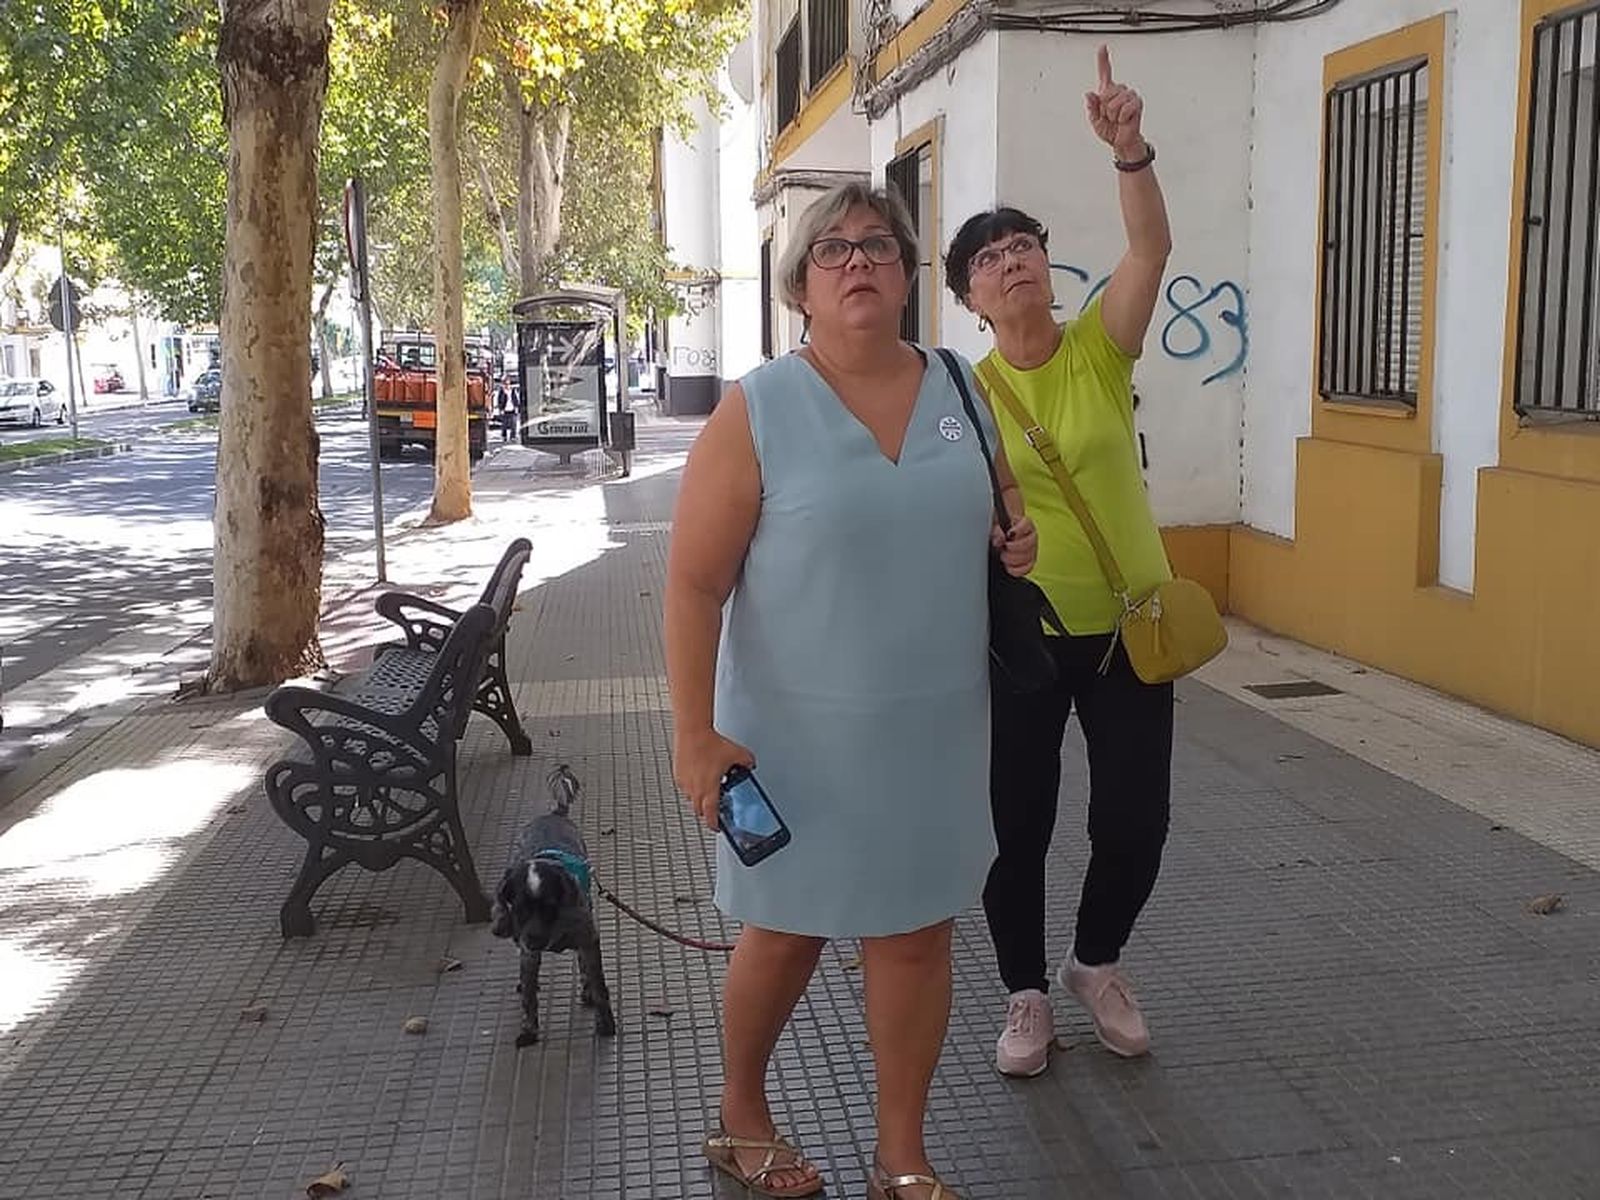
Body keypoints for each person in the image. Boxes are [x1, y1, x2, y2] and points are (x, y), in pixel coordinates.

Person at [665, 182, 1037, 1199]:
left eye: (878, 244)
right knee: (783, 931)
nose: (858, 261)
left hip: (934, 727)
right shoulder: (758, 409)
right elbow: (695, 585)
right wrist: (693, 734)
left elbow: (1000, 499)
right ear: (799, 286)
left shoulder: (962, 386)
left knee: (916, 934)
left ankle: (901, 1157)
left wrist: (1014, 534)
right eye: (831, 250)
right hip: (790, 738)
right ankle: (742, 1118)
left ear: (911, 273)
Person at [943, 45, 1176, 1079]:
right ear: (970, 300)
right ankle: (1025, 995)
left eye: (1022, 245)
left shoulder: (1098, 348)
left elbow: (1151, 250)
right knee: (1017, 825)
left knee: (1135, 814)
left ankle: (1095, 963)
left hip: (1133, 625)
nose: (1011, 261)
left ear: (1046, 262)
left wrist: (1129, 150)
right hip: (1026, 641)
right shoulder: (964, 393)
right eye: (988, 259)